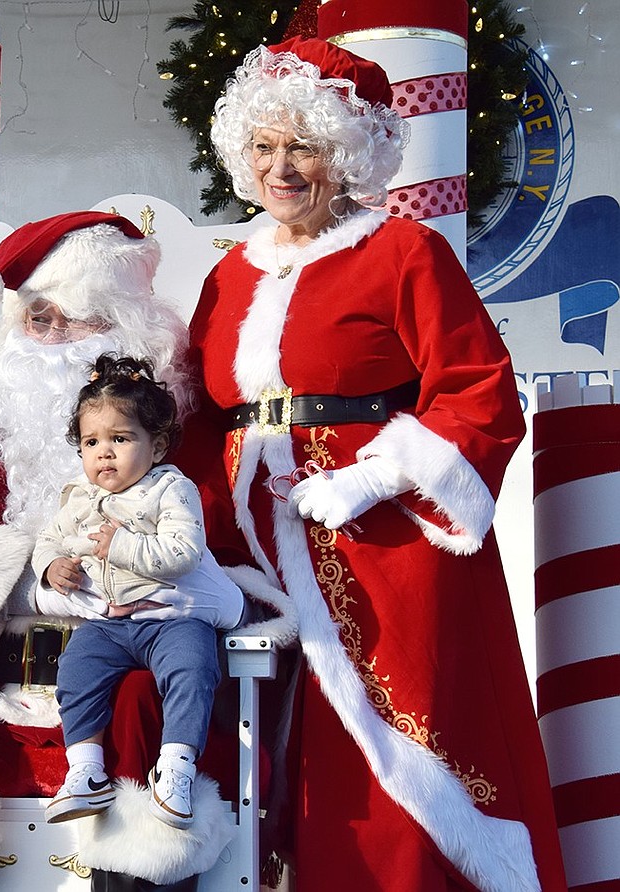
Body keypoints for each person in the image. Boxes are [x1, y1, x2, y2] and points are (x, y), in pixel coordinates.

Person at [185, 35, 567, 892]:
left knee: (397, 757)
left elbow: (479, 390)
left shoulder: (404, 252)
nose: (282, 168)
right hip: (252, 551)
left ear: (346, 153)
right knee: (267, 751)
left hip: (383, 548)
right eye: (266, 147)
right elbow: (196, 415)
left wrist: (374, 476)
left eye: (305, 147)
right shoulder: (229, 275)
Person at [0, 211, 292, 892]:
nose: (50, 341)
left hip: (126, 676)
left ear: (123, 327)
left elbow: (230, 556)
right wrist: (31, 585)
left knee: (150, 700)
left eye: (73, 321)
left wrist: (149, 584)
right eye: (36, 319)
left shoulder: (179, 435)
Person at [33, 353, 247, 830]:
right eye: (92, 442)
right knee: (75, 669)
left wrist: (123, 545)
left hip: (169, 618)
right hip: (109, 624)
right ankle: (86, 771)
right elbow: (47, 540)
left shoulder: (170, 488)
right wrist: (51, 567)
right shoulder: (80, 499)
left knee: (193, 668)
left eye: (121, 438)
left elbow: (184, 550)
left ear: (157, 446)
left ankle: (176, 768)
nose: (104, 452)